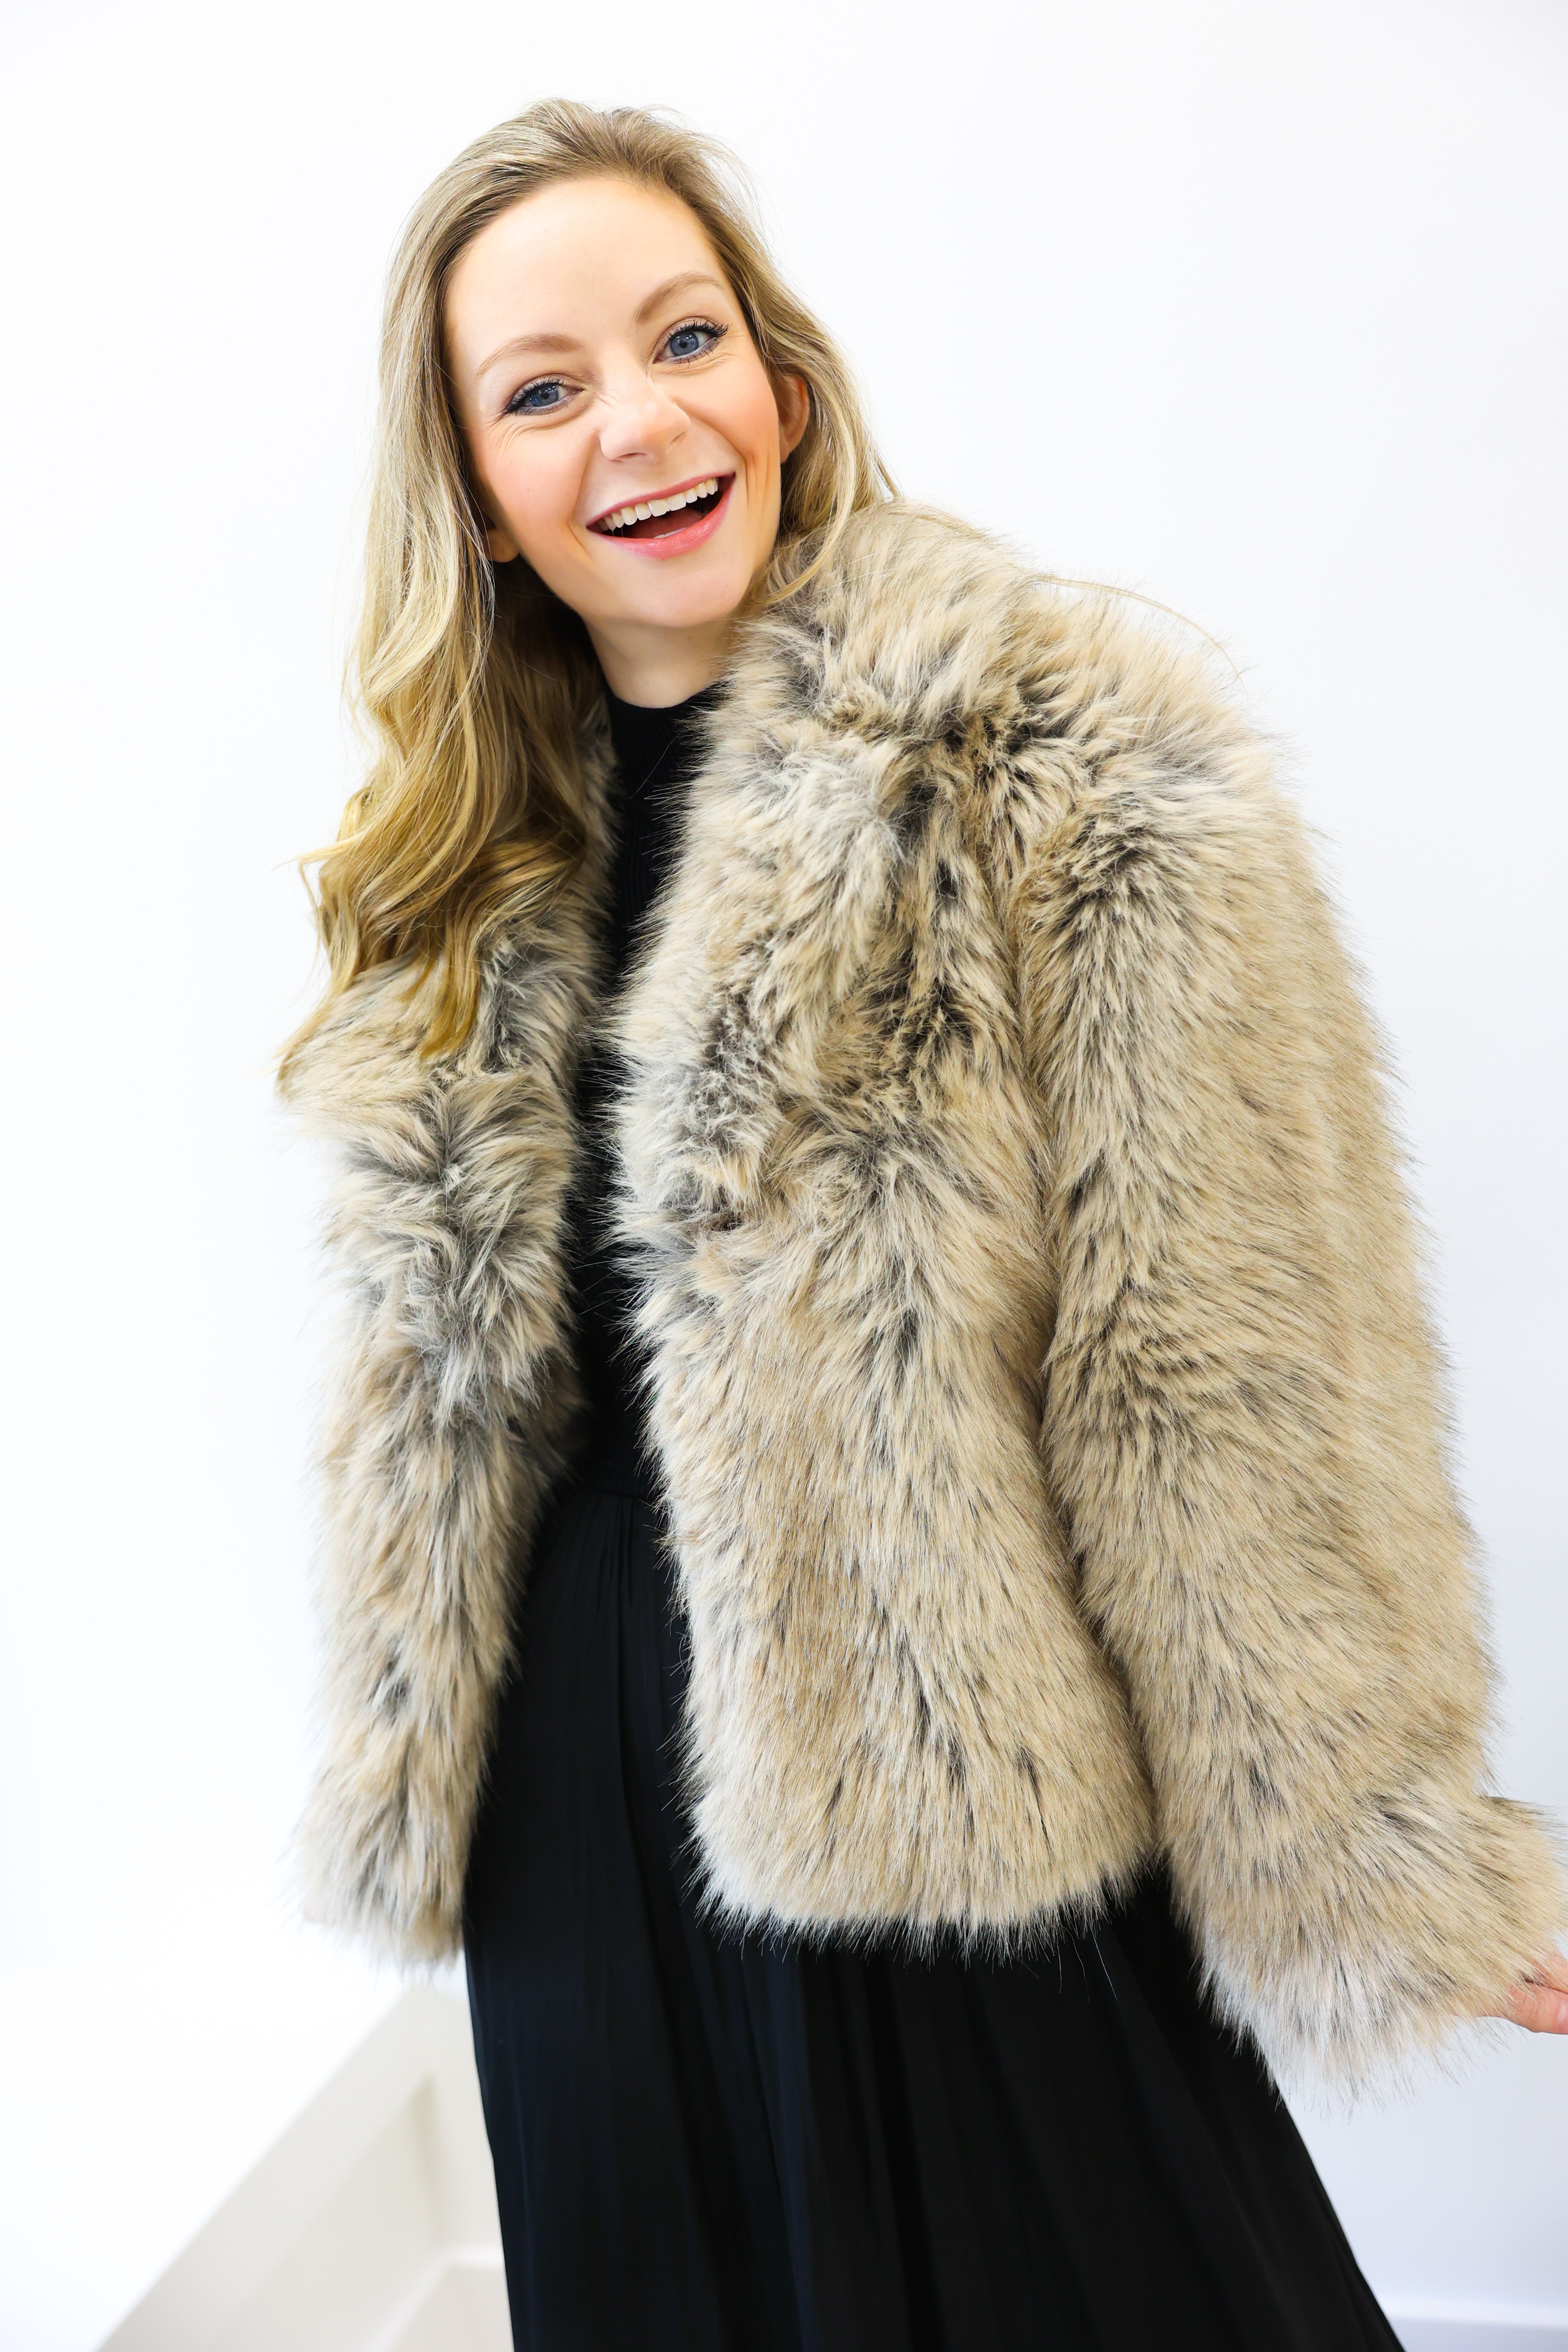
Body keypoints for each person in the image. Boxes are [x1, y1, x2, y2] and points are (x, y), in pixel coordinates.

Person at [280, 98, 1567, 2352]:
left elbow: (1218, 1368)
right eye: (547, 388)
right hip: (578, 1846)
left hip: (960, 1822)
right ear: (478, 496)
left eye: (687, 336)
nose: (646, 420)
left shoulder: (1072, 757)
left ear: (780, 379)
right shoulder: (462, 884)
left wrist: (1375, 1839)